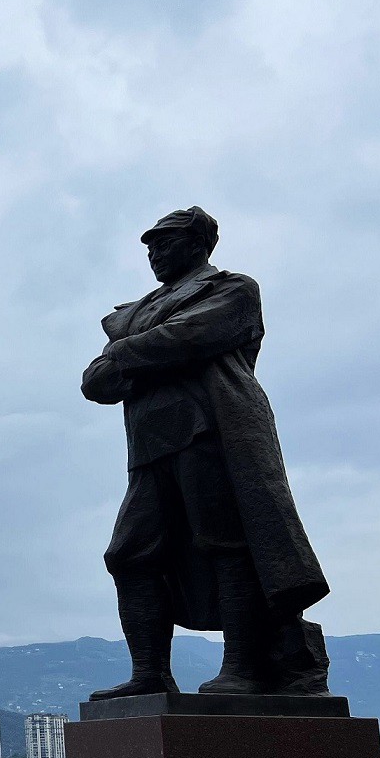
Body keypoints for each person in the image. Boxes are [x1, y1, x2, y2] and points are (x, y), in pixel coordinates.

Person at [82, 207, 332, 698]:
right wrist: (134, 355)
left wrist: (122, 352)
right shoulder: (137, 310)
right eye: (150, 246)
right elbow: (95, 383)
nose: (154, 253)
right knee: (128, 554)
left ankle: (243, 667)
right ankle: (150, 673)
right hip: (150, 446)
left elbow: (188, 336)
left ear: (198, 244)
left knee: (226, 544)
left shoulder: (233, 289)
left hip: (213, 431)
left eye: (165, 242)